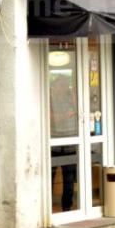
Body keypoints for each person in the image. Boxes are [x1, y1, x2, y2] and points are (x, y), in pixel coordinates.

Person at [49, 70, 78, 211]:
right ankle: (47, 206)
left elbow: (79, 110)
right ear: (55, 86)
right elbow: (50, 117)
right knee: (50, 176)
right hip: (53, 143)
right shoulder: (49, 99)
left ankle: (67, 207)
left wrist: (72, 94)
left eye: (66, 85)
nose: (64, 88)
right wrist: (65, 116)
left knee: (69, 178)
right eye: (61, 85)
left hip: (70, 142)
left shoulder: (69, 99)